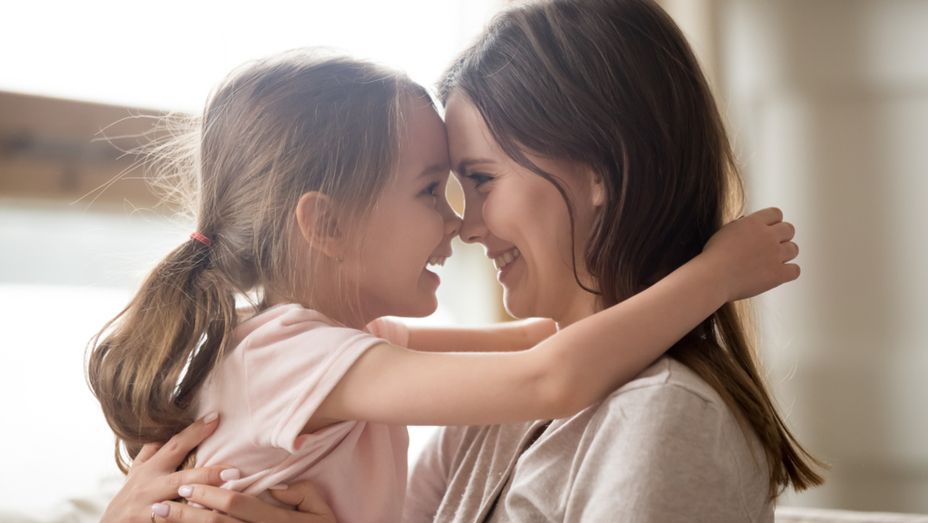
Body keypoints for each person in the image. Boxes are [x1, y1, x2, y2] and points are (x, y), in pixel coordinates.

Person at [88, 45, 798, 523]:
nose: (462, 224)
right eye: (436, 189)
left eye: (479, 180)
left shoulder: (663, 416)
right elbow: (547, 373)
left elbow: (542, 347)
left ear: (601, 172)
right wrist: (714, 275)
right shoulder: (297, 356)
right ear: (326, 225)